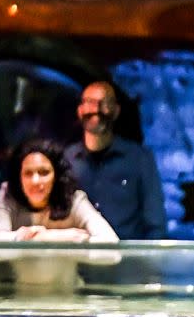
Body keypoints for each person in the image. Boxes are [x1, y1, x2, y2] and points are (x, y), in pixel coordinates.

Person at [66, 81, 167, 240]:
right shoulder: (66, 160)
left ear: (116, 110)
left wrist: (149, 262)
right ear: (80, 110)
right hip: (78, 259)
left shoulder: (139, 158)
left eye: (104, 103)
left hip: (126, 261)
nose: (96, 109)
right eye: (90, 102)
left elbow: (155, 223)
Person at [0, 138, 118, 242]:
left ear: (57, 176)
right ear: (18, 177)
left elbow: (112, 248)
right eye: (28, 173)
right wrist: (54, 237)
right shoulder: (9, 195)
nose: (35, 181)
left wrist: (32, 237)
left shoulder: (74, 199)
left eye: (44, 172)